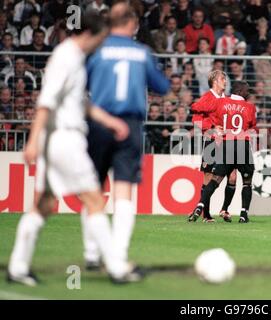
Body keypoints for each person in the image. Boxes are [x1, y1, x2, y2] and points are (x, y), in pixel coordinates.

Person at [7, 11, 140, 286]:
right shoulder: (66, 57)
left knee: (43, 207)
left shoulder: (75, 57)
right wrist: (32, 141)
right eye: (101, 39)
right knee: (94, 200)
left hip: (57, 140)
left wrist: (109, 121)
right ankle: (116, 267)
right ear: (90, 34)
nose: (101, 45)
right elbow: (46, 102)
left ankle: (18, 267)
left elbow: (80, 102)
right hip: (64, 139)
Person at [81, 1, 170, 269]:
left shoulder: (96, 50)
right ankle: (117, 256)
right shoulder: (141, 52)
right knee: (123, 191)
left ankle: (92, 253)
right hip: (129, 125)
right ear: (133, 24)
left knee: (93, 189)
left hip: (99, 123)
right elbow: (163, 87)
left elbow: (79, 84)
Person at [190, 81, 257, 223]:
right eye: (247, 90)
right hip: (239, 144)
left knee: (218, 179)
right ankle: (243, 215)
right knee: (246, 181)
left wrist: (213, 124)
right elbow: (252, 126)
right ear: (240, 91)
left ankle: (204, 207)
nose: (248, 93)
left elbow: (196, 107)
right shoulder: (249, 107)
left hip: (226, 143)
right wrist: (211, 126)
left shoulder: (221, 102)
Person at [188, 70, 237, 223]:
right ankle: (206, 215)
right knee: (208, 177)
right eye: (223, 78)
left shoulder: (226, 99)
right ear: (215, 81)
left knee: (231, 175)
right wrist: (212, 128)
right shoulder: (206, 98)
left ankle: (224, 209)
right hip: (212, 141)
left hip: (227, 141)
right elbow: (196, 121)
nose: (225, 81)